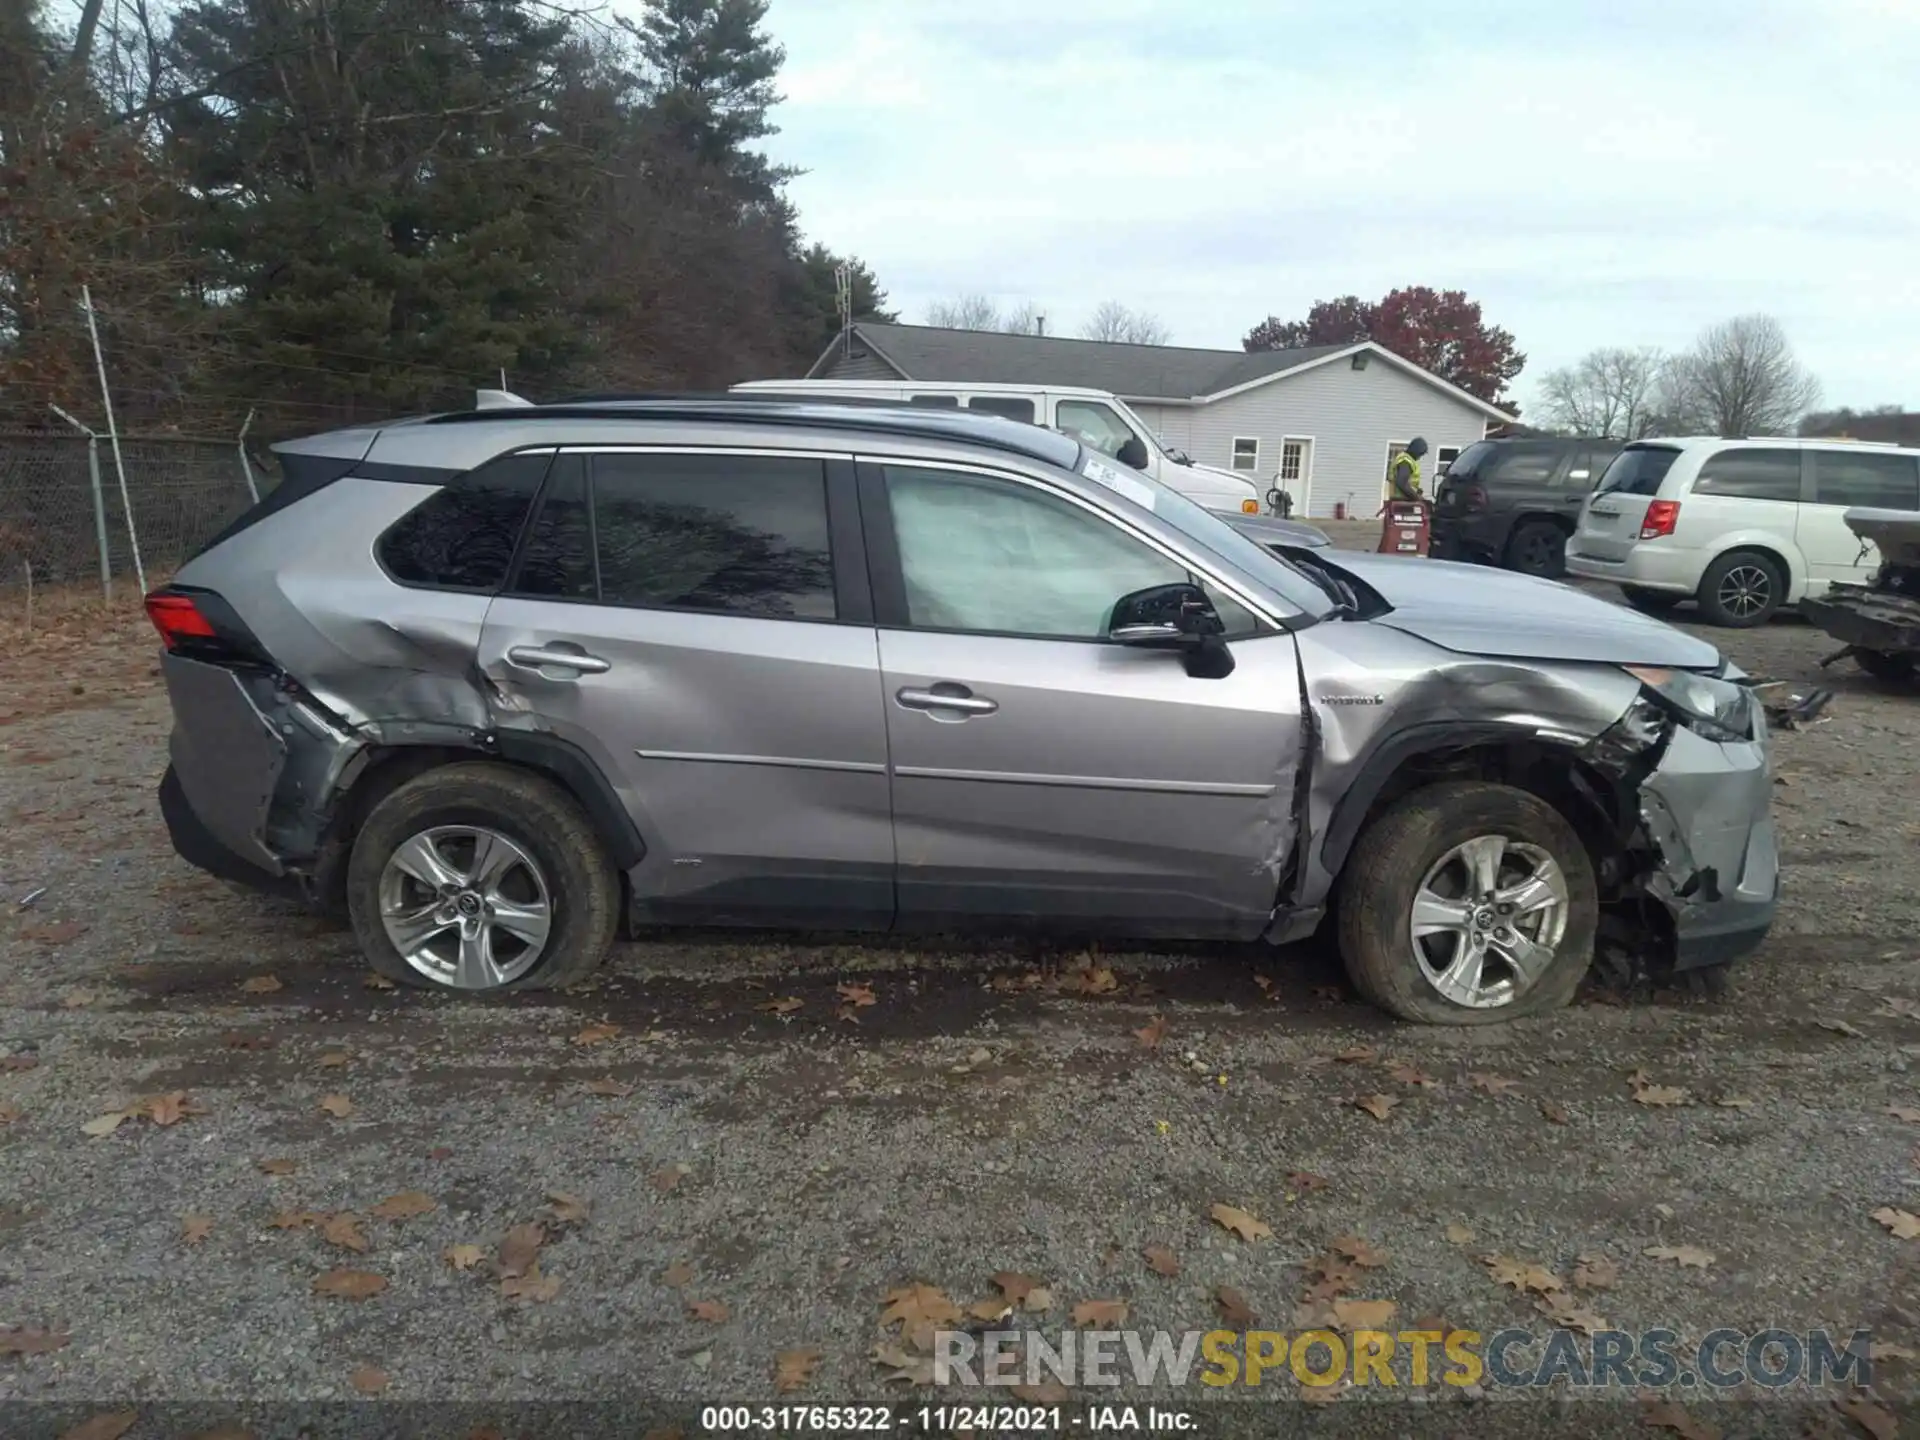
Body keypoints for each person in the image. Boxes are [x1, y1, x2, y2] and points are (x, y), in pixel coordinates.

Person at [1388, 436, 1430, 503]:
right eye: (1420, 454)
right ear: (1416, 450)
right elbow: (1401, 483)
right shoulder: (1405, 461)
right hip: (1401, 501)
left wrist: (1416, 490)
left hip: (1404, 500)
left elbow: (1408, 482)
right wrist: (1416, 497)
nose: (1420, 457)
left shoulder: (1408, 460)